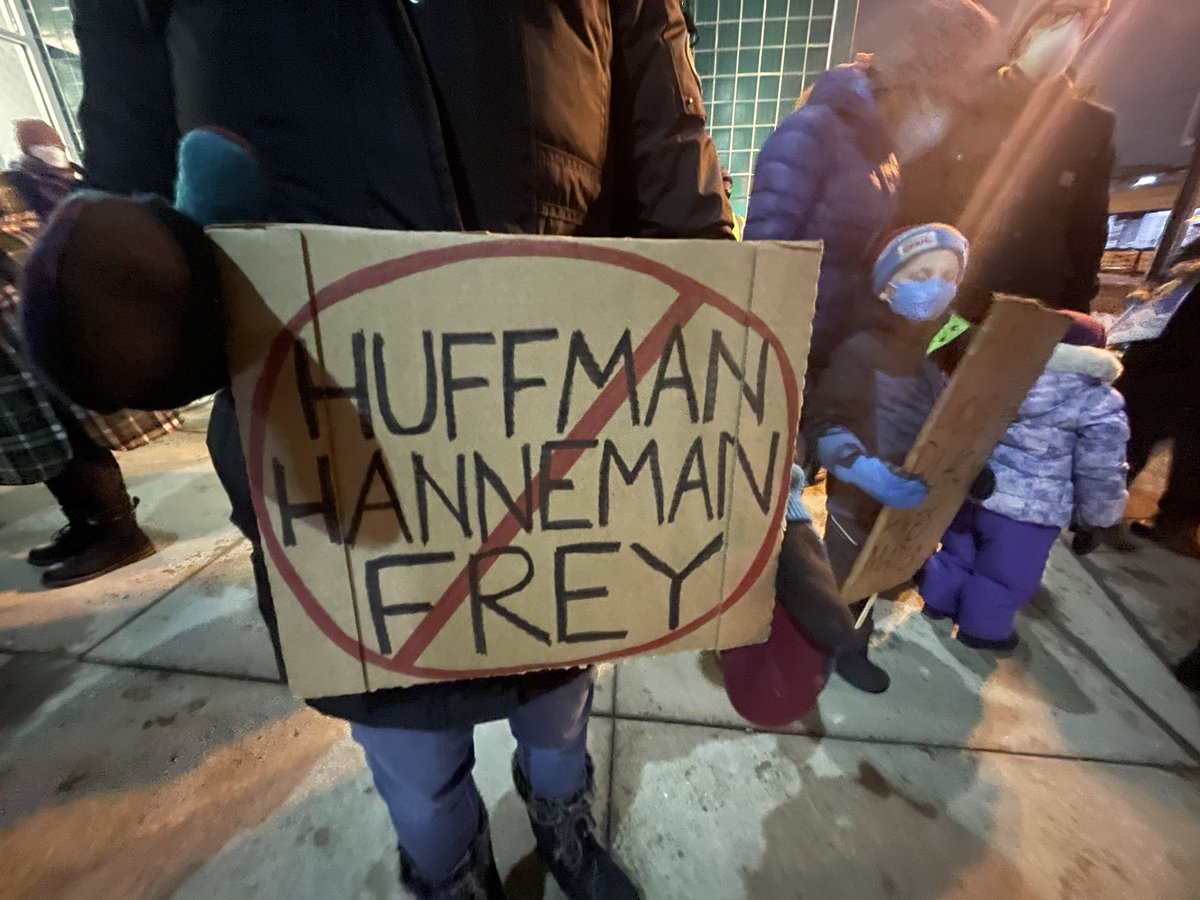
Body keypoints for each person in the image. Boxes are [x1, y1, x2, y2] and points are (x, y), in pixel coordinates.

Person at [17, 3, 772, 897]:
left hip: (563, 474)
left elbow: (674, 183)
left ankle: (559, 817)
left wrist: (733, 441)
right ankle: (448, 870)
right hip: (344, 489)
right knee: (411, 744)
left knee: (561, 708)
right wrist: (139, 308)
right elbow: (146, 208)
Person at [743, 0, 997, 381]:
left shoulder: (884, 160)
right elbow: (766, 246)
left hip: (826, 350)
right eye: (937, 104)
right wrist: (765, 344)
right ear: (912, 89)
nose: (939, 124)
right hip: (779, 350)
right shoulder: (819, 129)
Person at [807, 223, 972, 693]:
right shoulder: (861, 351)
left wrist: (969, 472)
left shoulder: (945, 351)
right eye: (921, 272)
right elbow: (825, 422)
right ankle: (842, 646)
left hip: (913, 497)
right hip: (858, 501)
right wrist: (862, 469)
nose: (935, 285)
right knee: (849, 580)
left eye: (947, 274)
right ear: (887, 286)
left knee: (883, 575)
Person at [1, 143, 167, 588]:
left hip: (14, 297)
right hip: (14, 297)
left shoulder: (11, 193)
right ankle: (87, 525)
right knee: (37, 433)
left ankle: (120, 533)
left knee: (64, 425)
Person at [919, 311, 1129, 650]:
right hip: (1031, 511)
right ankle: (982, 631)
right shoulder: (1096, 401)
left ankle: (937, 601)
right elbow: (1100, 469)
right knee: (1006, 574)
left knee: (958, 550)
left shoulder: (1000, 377)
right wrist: (1097, 519)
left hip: (974, 489)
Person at [898, 0, 1115, 323]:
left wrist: (1069, 326)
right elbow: (909, 206)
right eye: (1060, 14)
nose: (1070, 30)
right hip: (941, 313)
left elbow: (1086, 243)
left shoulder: (1089, 127)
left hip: (1021, 321)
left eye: (1086, 21)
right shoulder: (963, 99)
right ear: (1028, 22)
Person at [1107, 238, 1200, 557]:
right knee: (1143, 440)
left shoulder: (1184, 273)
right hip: (1170, 368)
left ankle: (1098, 514)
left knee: (1134, 438)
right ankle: (1170, 524)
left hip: (1156, 366)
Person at [6, 119, 81, 219]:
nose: (55, 146)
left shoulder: (76, 180)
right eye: (42, 142)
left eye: (55, 140)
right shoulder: (18, 184)